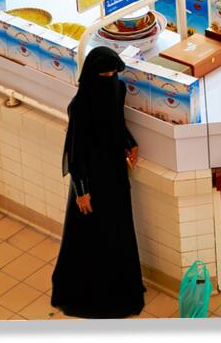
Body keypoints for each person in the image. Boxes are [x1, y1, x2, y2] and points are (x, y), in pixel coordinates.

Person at [51, 46, 145, 319]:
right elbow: (76, 151)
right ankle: (90, 296)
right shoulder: (81, 106)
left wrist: (129, 143)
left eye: (113, 73)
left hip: (114, 172)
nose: (110, 78)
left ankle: (120, 291)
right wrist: (82, 191)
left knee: (118, 230)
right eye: (104, 75)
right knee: (91, 236)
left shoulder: (117, 88)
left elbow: (116, 123)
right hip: (91, 178)